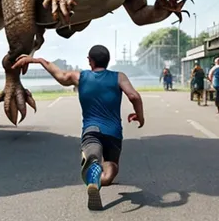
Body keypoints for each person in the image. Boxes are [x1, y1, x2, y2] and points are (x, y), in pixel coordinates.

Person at [11, 45, 144, 211]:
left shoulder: (80, 77)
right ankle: (98, 178)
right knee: (111, 171)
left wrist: (37, 60)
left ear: (91, 61)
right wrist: (140, 116)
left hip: (91, 129)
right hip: (114, 132)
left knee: (92, 150)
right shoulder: (119, 77)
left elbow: (59, 74)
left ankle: (93, 167)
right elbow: (134, 96)